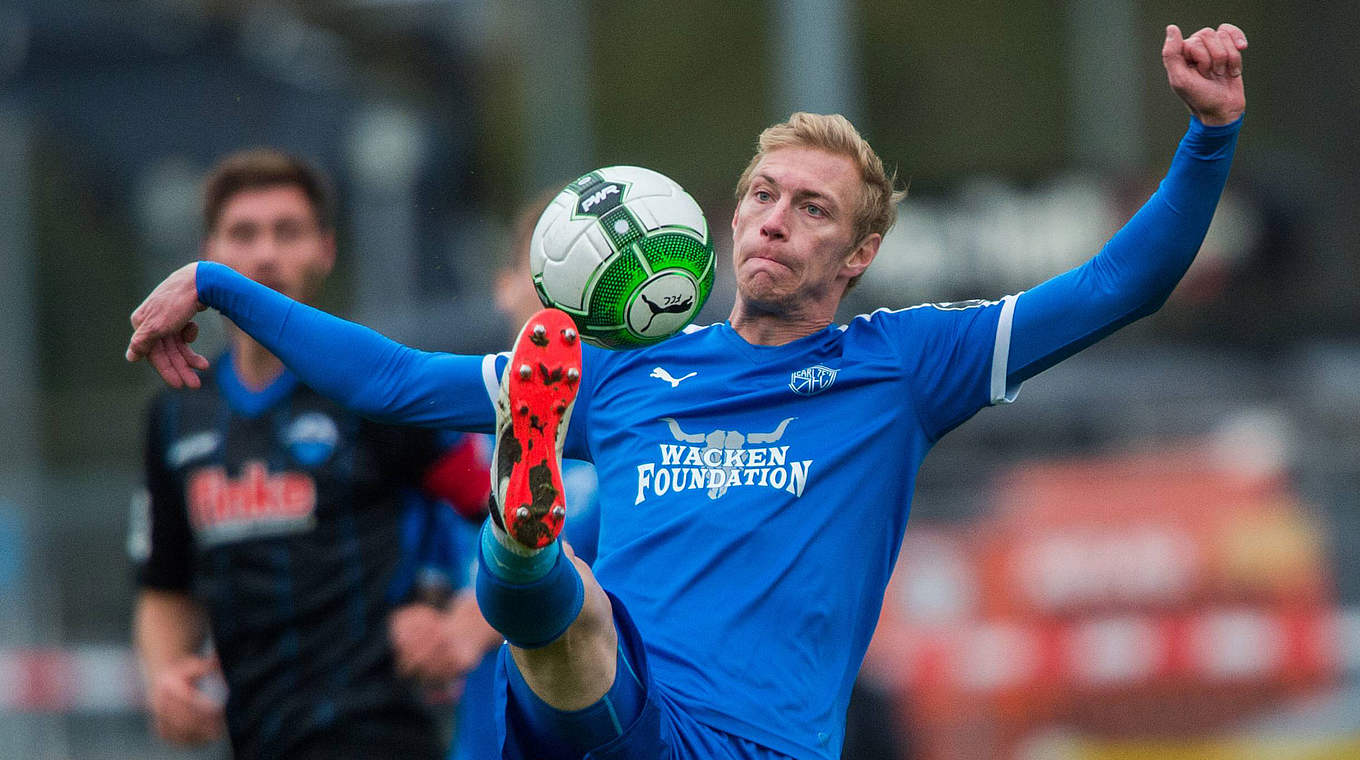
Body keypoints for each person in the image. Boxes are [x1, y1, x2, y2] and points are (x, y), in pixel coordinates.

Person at [127, 24, 1248, 760]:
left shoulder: (906, 365)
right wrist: (222, 285)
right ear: (726, 215)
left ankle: (526, 551)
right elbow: (397, 381)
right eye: (762, 192)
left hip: (759, 741)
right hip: (617, 708)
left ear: (855, 257)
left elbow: (1118, 282)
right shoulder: (621, 364)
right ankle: (524, 541)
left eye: (813, 208)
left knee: (569, 612)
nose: (774, 216)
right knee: (575, 612)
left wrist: (1208, 136)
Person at [127, 148, 492, 760]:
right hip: (253, 737)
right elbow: (165, 586)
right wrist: (164, 677)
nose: (265, 254)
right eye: (243, 234)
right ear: (208, 252)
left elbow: (522, 513)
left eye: (287, 232)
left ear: (325, 249)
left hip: (379, 736)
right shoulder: (174, 414)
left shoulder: (376, 393)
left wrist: (463, 624)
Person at [388, 188, 603, 760]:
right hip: (482, 739)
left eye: (586, 274)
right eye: (546, 272)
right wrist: (420, 627)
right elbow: (422, 578)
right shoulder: (449, 451)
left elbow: (582, 542)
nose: (564, 298)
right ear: (503, 285)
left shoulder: (626, 440)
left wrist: (472, 623)